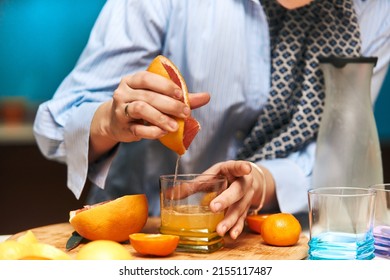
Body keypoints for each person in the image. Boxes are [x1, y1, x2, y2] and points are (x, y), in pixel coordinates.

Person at [33, 0, 390, 240]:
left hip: (276, 243)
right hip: (148, 243)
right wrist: (111, 121)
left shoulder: (377, 10)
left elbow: (344, 145)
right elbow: (56, 126)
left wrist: (264, 182)